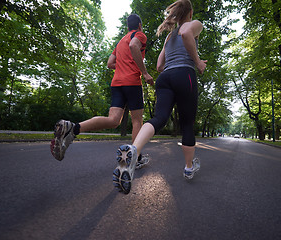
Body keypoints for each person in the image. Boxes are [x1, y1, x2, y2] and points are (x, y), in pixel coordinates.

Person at [113, 0, 207, 194]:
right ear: (189, 13)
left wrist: (173, 69)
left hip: (165, 78)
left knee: (159, 119)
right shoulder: (194, 24)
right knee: (187, 123)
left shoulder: (168, 36)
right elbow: (187, 33)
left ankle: (134, 150)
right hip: (185, 74)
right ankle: (189, 168)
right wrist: (197, 62)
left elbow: (159, 66)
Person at [50, 14, 154, 169]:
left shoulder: (119, 43)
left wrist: (123, 65)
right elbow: (134, 46)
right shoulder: (139, 35)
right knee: (137, 121)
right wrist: (144, 73)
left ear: (127, 27)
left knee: (113, 120)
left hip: (117, 83)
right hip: (132, 82)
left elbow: (110, 63)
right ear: (139, 25)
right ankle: (136, 157)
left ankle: (74, 127)